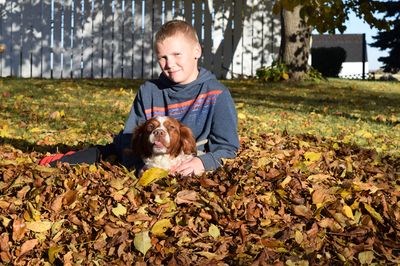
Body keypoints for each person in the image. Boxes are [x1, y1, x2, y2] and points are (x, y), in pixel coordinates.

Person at [39, 19, 239, 176]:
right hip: (141, 157)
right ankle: (65, 157)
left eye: (177, 54)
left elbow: (228, 148)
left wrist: (203, 162)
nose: (170, 64)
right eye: (163, 57)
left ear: (197, 51)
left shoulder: (217, 94)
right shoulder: (149, 91)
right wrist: (139, 166)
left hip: (187, 160)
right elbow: (129, 139)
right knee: (74, 162)